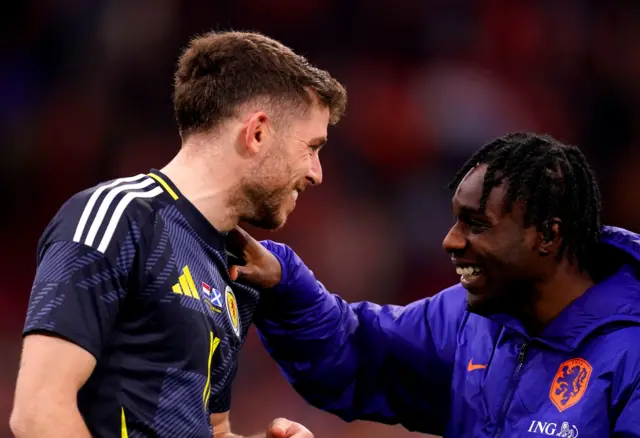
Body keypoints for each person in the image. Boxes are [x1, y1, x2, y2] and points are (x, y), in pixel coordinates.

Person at [10, 30, 346, 438]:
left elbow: (211, 431)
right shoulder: (118, 218)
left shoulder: (237, 269)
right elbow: (39, 413)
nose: (316, 172)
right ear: (258, 133)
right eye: (311, 147)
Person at [229, 132, 640, 437]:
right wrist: (283, 284)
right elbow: (358, 350)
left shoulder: (630, 353)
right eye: (456, 220)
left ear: (548, 235)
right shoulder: (466, 322)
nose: (451, 240)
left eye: (476, 224)